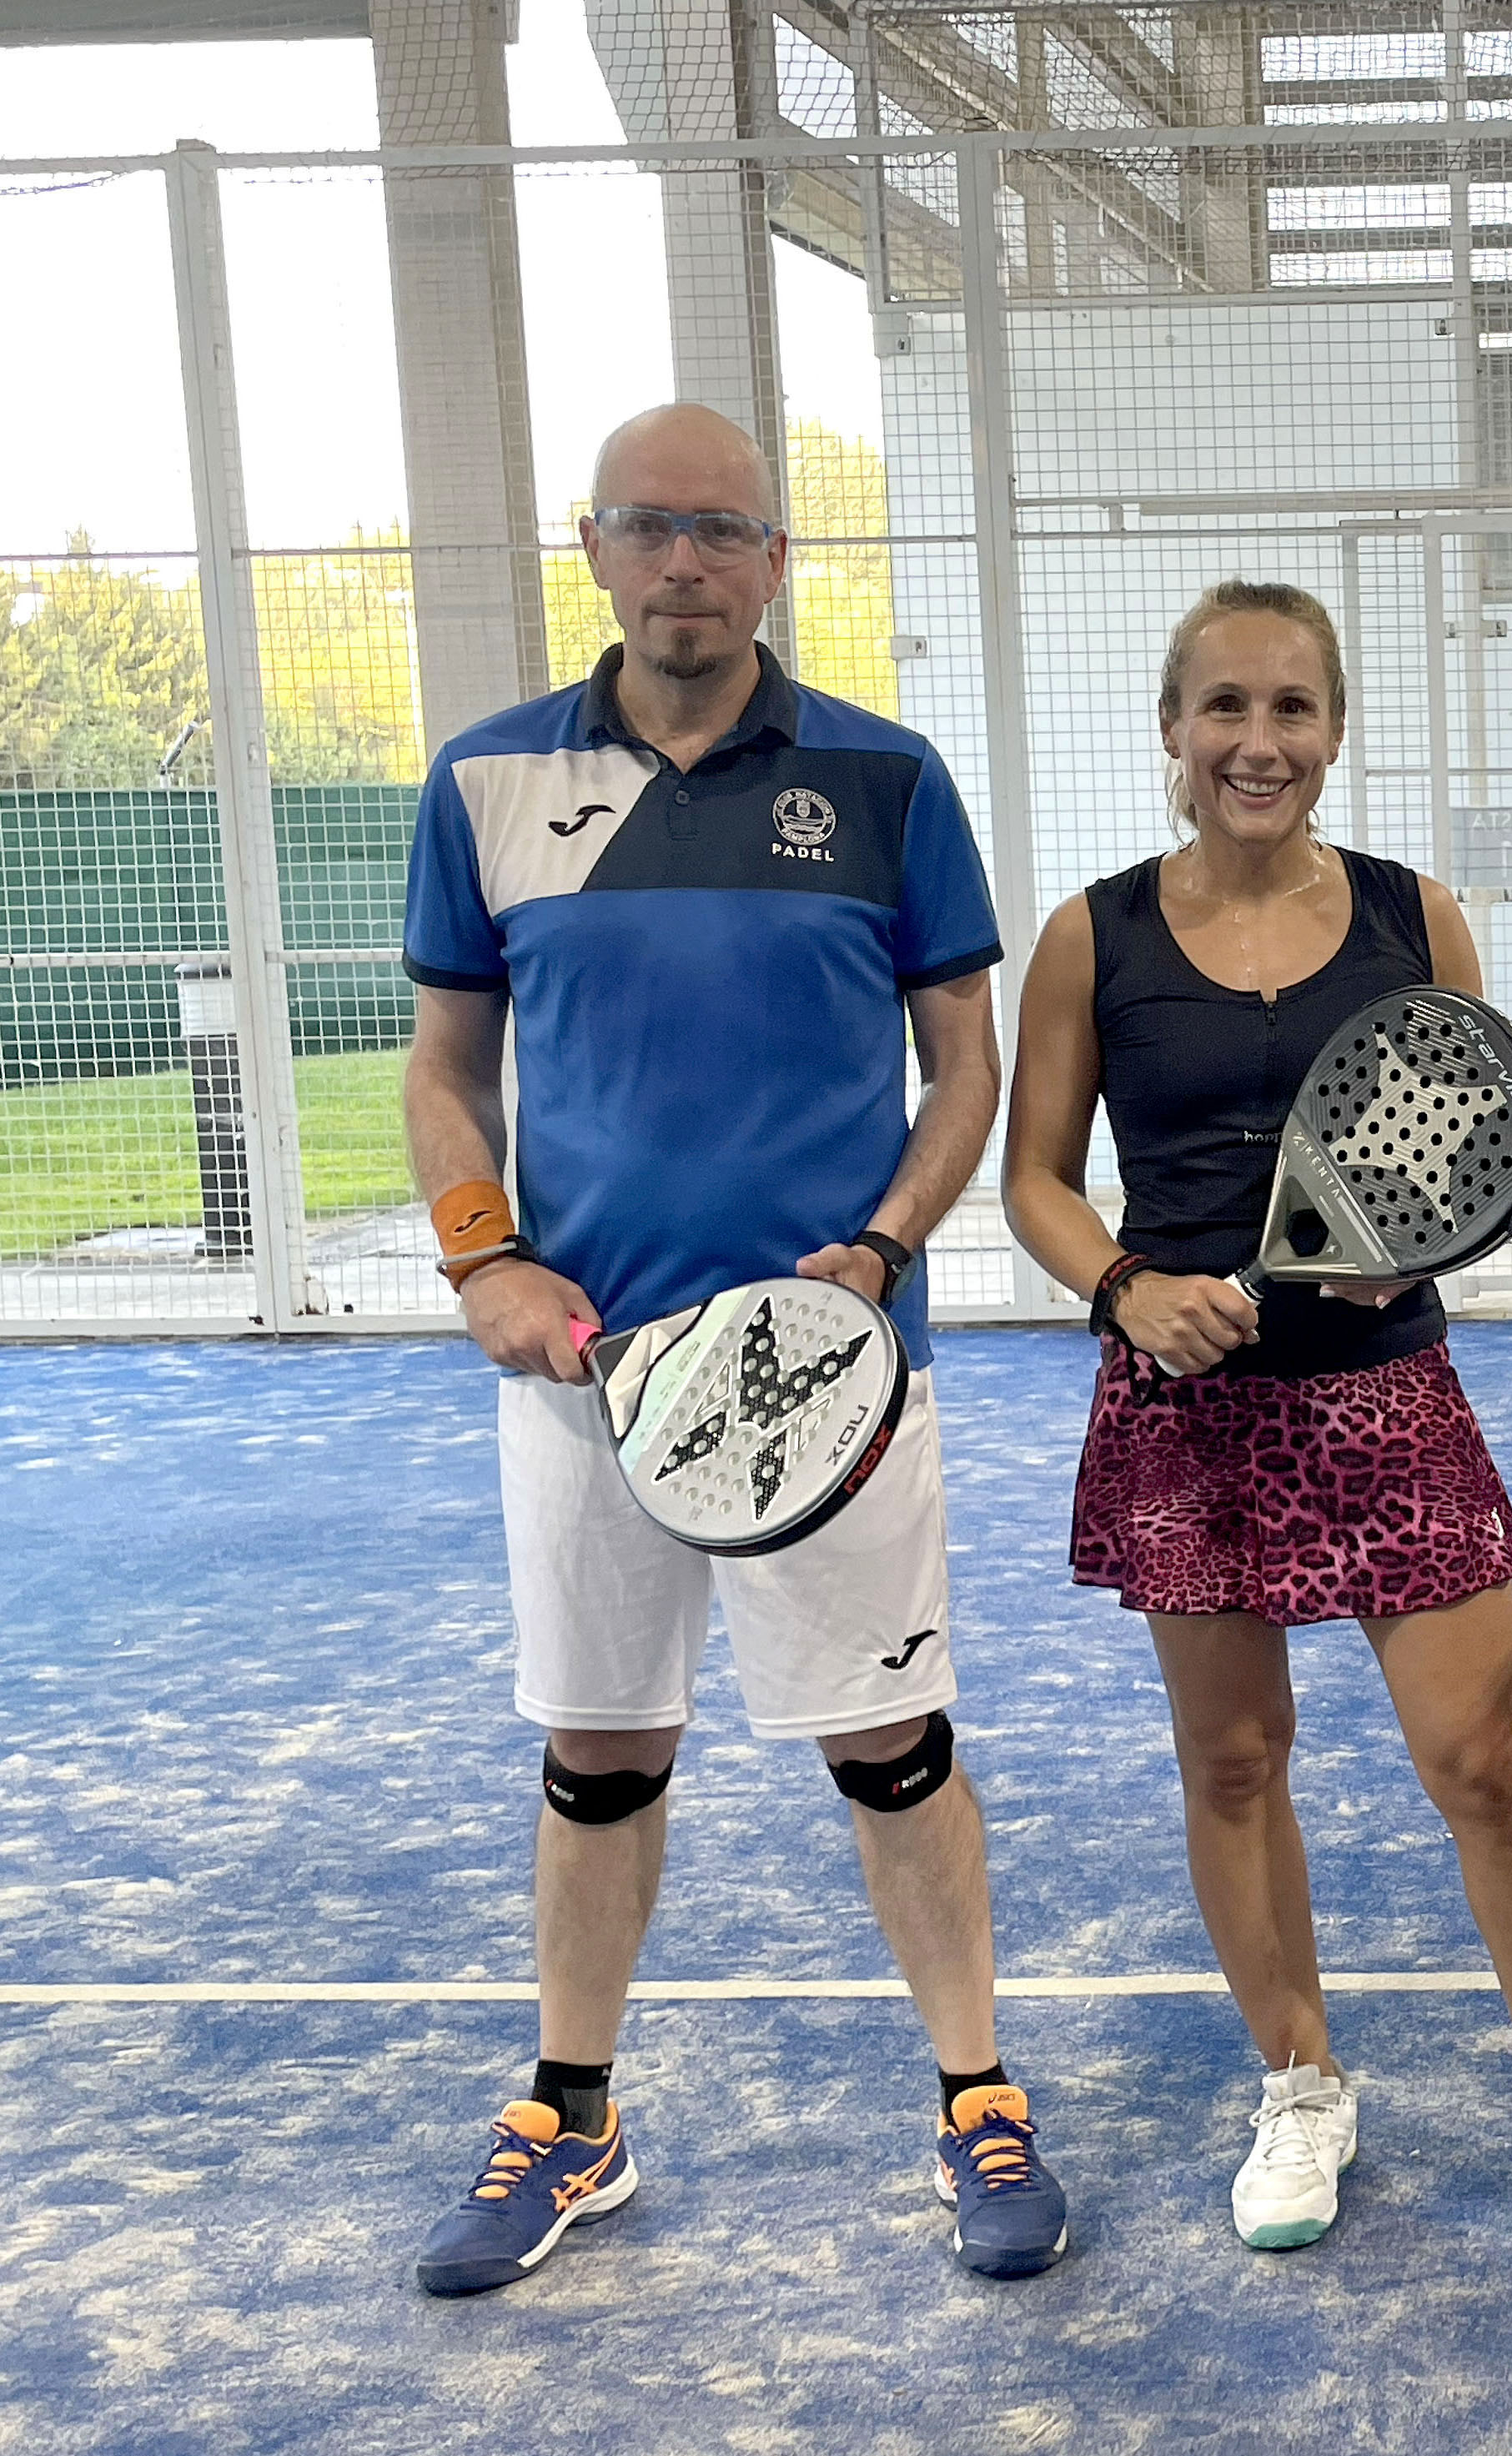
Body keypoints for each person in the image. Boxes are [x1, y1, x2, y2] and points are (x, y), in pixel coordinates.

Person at [398, 404, 1063, 2293]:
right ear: (594, 549)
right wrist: (484, 1262)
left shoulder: (886, 777)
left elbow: (965, 1067)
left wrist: (884, 1246)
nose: (682, 560)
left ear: (776, 560)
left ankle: (979, 2097)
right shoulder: (485, 780)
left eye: (720, 529)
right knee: (599, 1750)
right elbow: (445, 1069)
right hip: (588, 1370)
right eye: (647, 526)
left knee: (890, 1743)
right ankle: (571, 2121)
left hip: (830, 1374)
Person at [1001, 578, 1512, 2259]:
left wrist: (1410, 1253)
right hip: (1184, 1412)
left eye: (1291, 707)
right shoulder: (1090, 937)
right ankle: (1298, 2083)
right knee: (1232, 1761)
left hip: (1383, 1396)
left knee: (1481, 1759)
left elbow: (1476, 1137)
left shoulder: (1416, 916)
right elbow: (1035, 1179)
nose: (1256, 740)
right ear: (1171, 728)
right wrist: (1127, 1287)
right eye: (1224, 705)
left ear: (1336, 731)